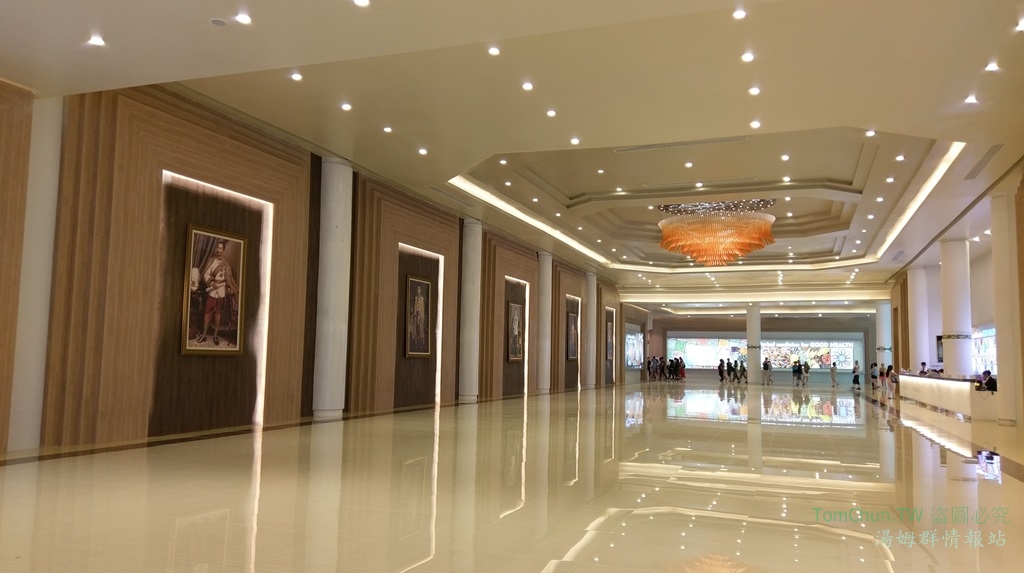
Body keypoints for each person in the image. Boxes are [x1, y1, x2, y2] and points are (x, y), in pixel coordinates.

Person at [196, 241, 238, 347]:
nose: (218, 250)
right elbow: (206, 274)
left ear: (223, 250)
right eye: (217, 248)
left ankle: (215, 336)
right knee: (207, 313)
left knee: (218, 314)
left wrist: (229, 288)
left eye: (220, 248)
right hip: (212, 291)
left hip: (221, 292)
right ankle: (204, 335)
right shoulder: (212, 261)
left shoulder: (226, 265)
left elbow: (229, 280)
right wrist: (212, 283)